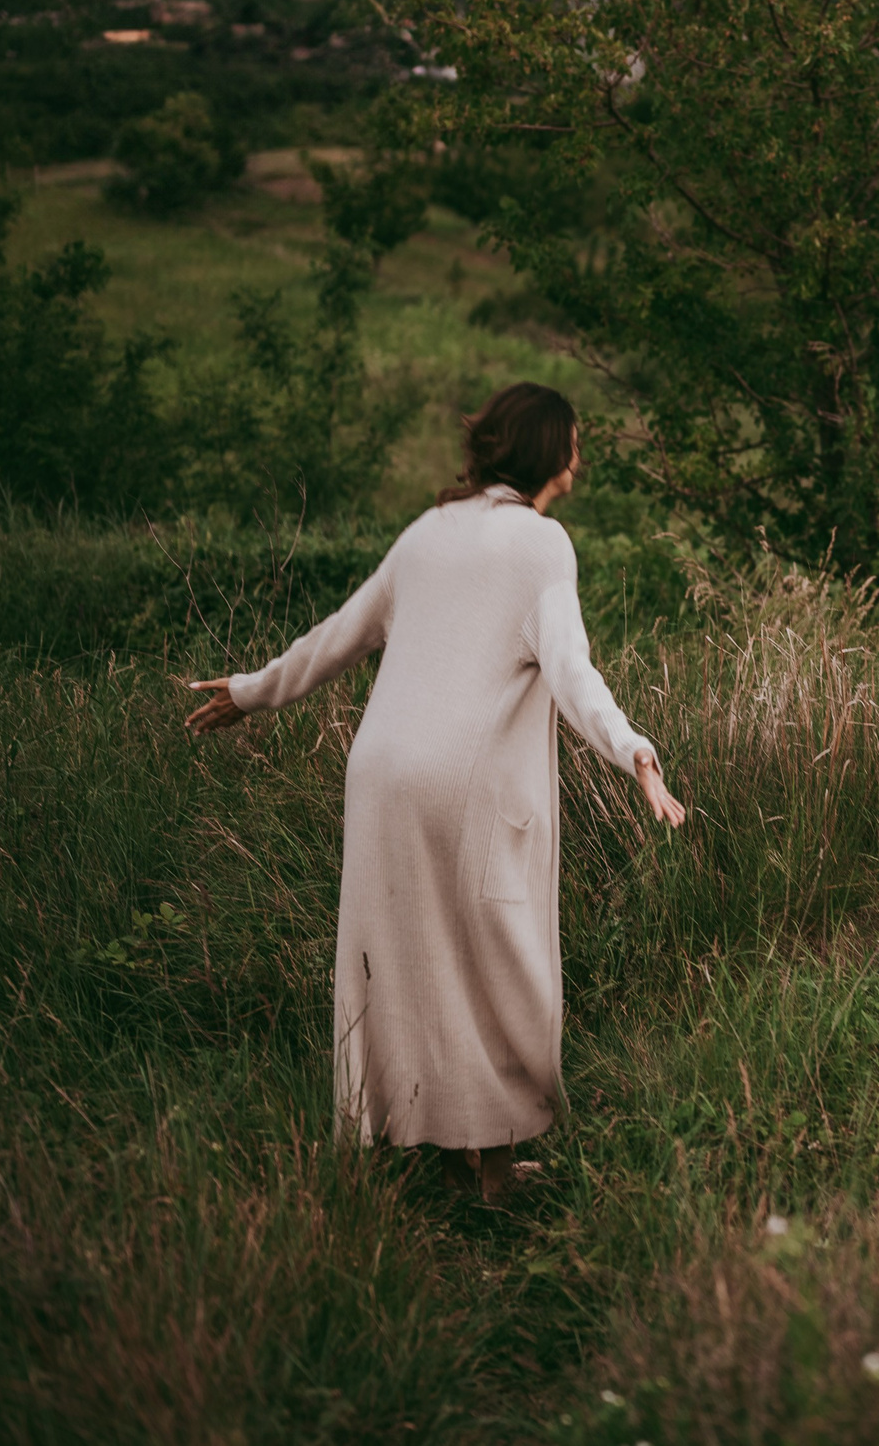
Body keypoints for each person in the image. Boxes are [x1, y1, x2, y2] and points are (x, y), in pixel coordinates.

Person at [182, 382, 684, 1201]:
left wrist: (251, 690)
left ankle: (447, 1159)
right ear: (549, 451)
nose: (580, 455)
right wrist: (634, 749)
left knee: (411, 963)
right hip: (466, 781)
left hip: (380, 776)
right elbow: (571, 670)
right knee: (501, 966)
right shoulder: (542, 543)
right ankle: (495, 1173)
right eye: (574, 440)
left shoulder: (427, 532)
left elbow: (338, 635)